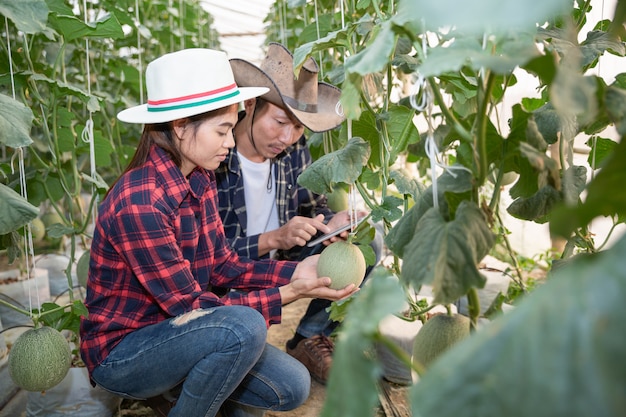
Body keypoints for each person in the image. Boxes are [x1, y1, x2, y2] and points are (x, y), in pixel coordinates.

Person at [79, 48, 357, 417]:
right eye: (223, 130)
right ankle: (177, 397)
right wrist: (290, 292)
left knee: (292, 385)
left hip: (182, 335)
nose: (230, 142)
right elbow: (192, 309)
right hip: (126, 352)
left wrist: (296, 271)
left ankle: (182, 388)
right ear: (180, 126)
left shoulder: (200, 175)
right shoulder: (140, 201)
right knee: (244, 327)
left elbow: (223, 266)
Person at [215, 43, 382, 385]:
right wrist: (275, 237)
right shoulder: (216, 156)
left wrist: (329, 224)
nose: (287, 137)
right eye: (279, 122)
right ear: (250, 105)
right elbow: (212, 257)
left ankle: (308, 337)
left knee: (369, 245)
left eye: (298, 128)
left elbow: (311, 206)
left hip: (286, 257)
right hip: (231, 274)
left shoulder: (294, 149)